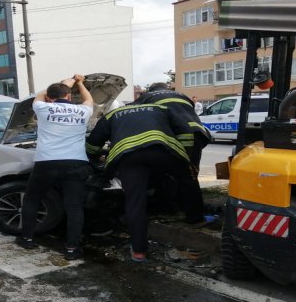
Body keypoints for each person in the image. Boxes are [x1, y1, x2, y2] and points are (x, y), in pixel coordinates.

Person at [86, 98, 205, 263]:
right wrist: (184, 155)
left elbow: (92, 144)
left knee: (135, 201)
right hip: (163, 151)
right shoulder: (161, 108)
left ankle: (139, 251)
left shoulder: (113, 114)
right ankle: (196, 217)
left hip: (129, 157)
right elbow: (185, 130)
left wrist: (96, 155)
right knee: (187, 180)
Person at [14, 74, 94, 260]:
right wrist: (79, 83)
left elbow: (39, 96)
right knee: (74, 206)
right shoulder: (83, 110)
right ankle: (72, 248)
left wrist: (63, 83)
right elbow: (89, 99)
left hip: (46, 162)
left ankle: (27, 239)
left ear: (49, 97)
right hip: (76, 162)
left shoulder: (42, 107)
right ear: (69, 97)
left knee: (32, 199)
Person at [132, 83, 212, 225]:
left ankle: (195, 218)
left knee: (186, 176)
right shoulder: (182, 95)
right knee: (189, 174)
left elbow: (129, 112)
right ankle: (179, 206)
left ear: (151, 90)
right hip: (198, 134)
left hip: (180, 135)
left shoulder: (147, 97)